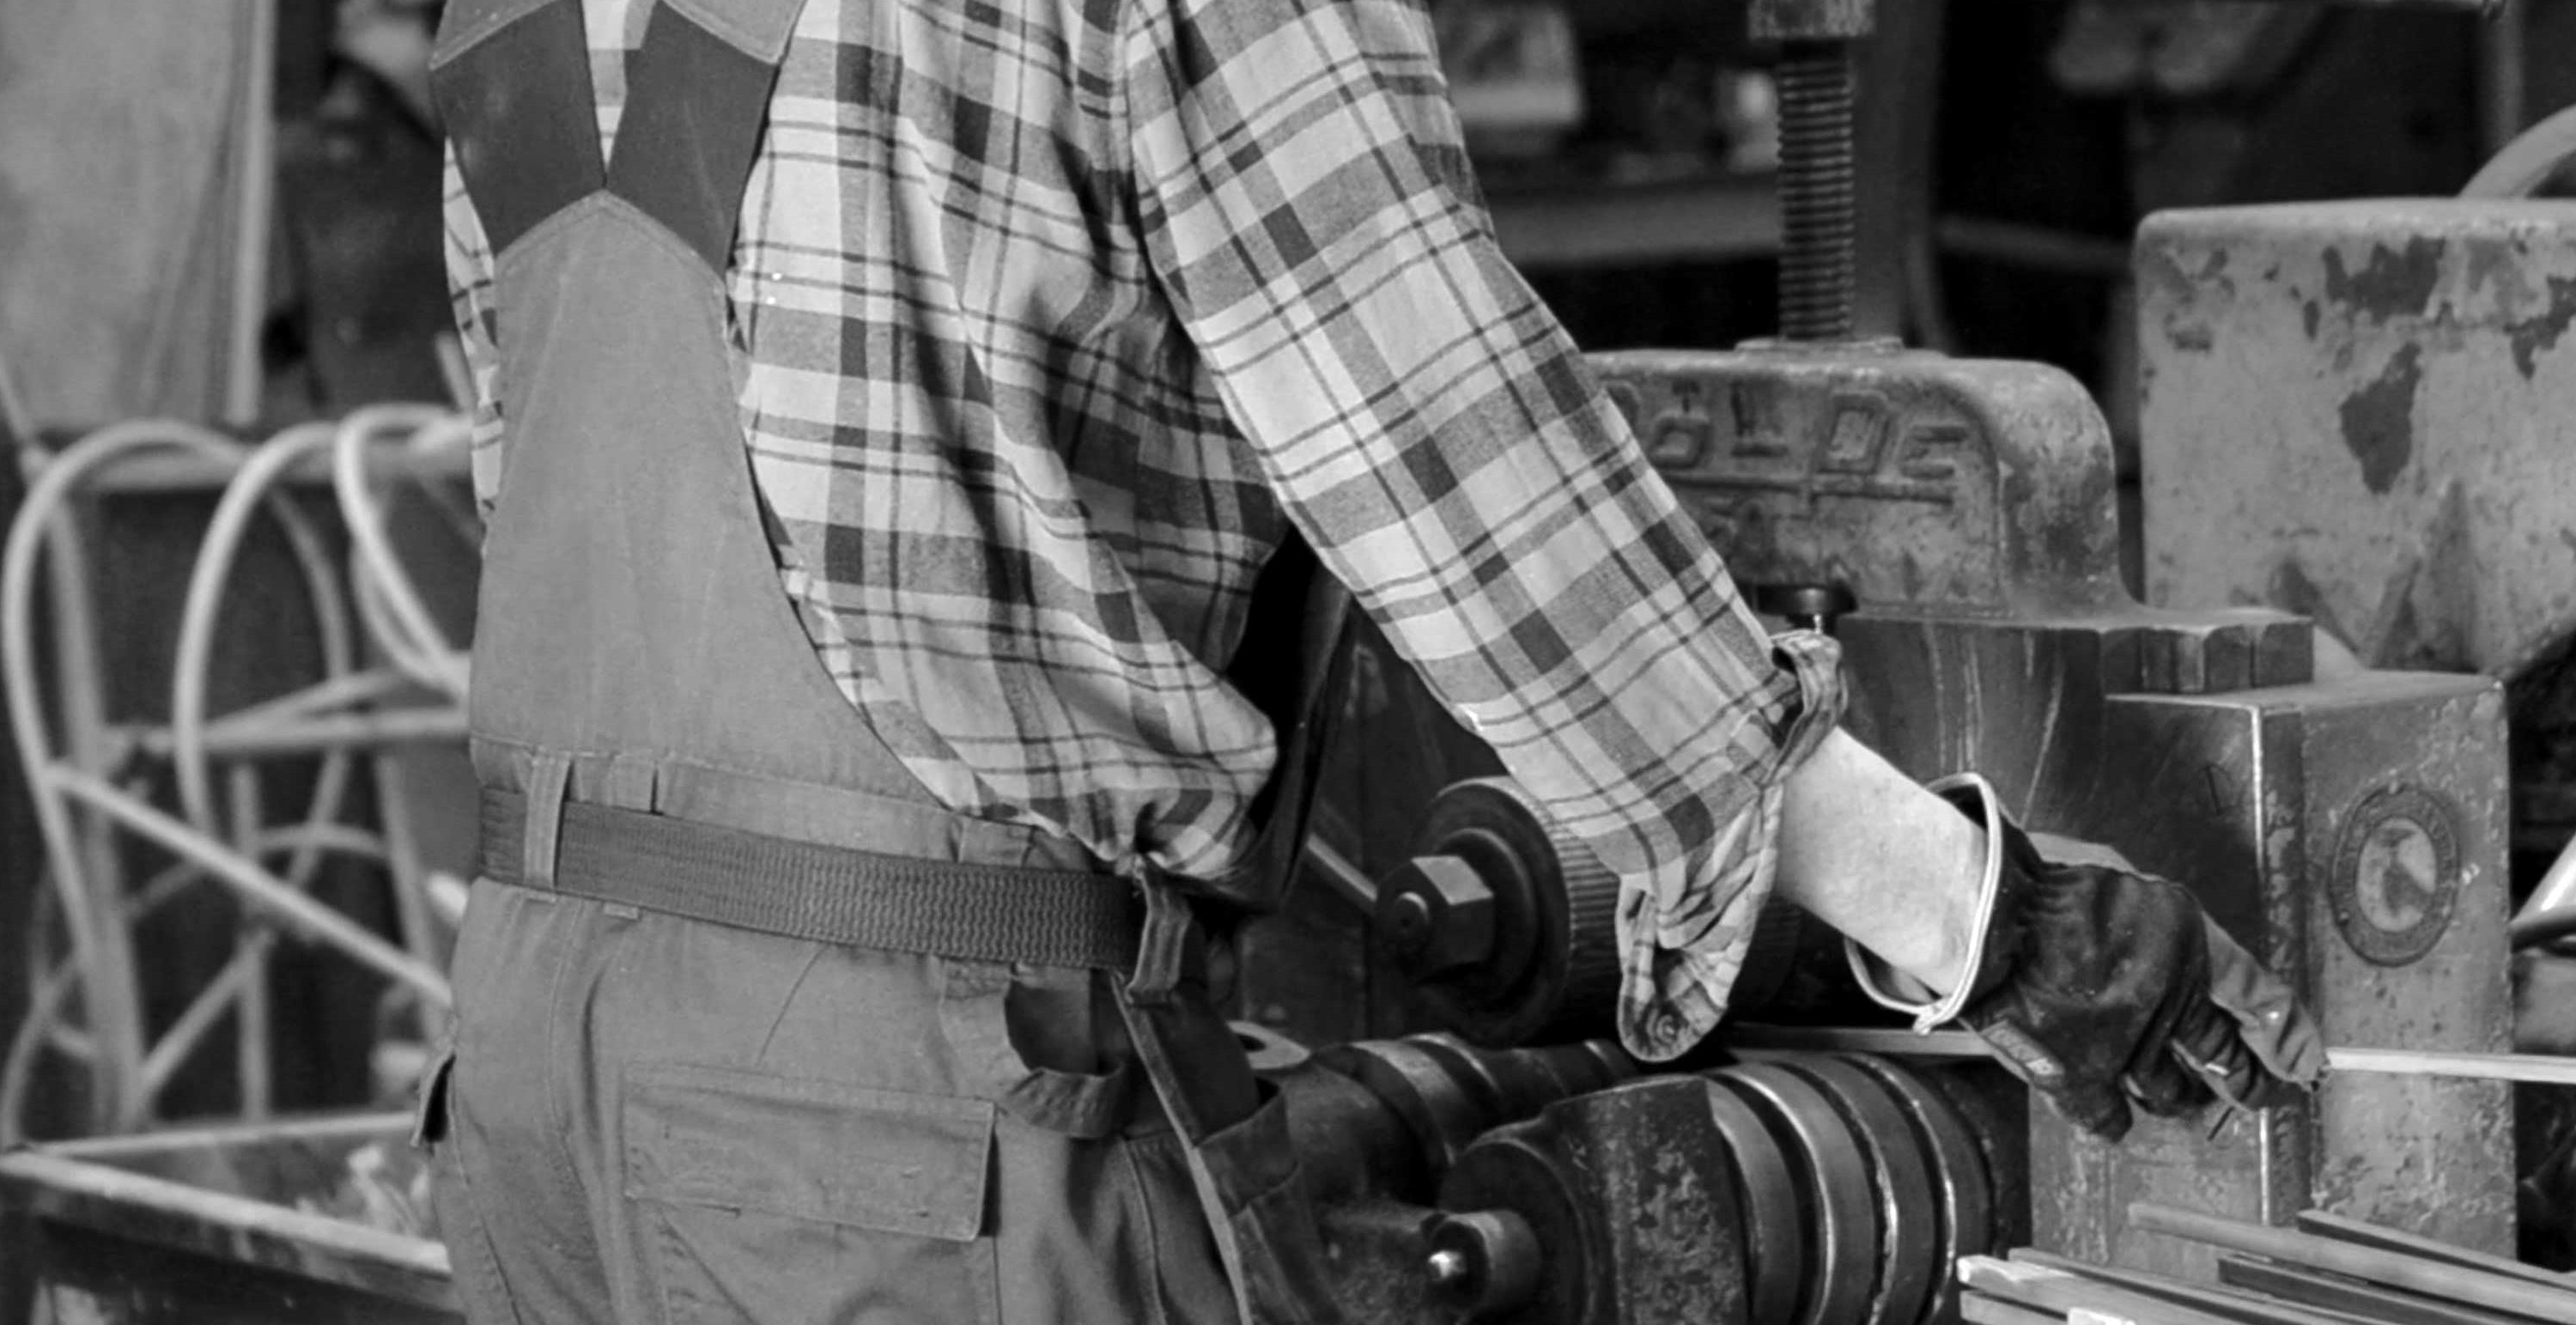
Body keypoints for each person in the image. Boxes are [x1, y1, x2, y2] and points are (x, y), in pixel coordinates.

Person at [419, 0, 2328, 1322]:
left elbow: (567, 492)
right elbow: (1461, 473)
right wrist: (1986, 921)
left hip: (531, 1074)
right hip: (899, 1134)